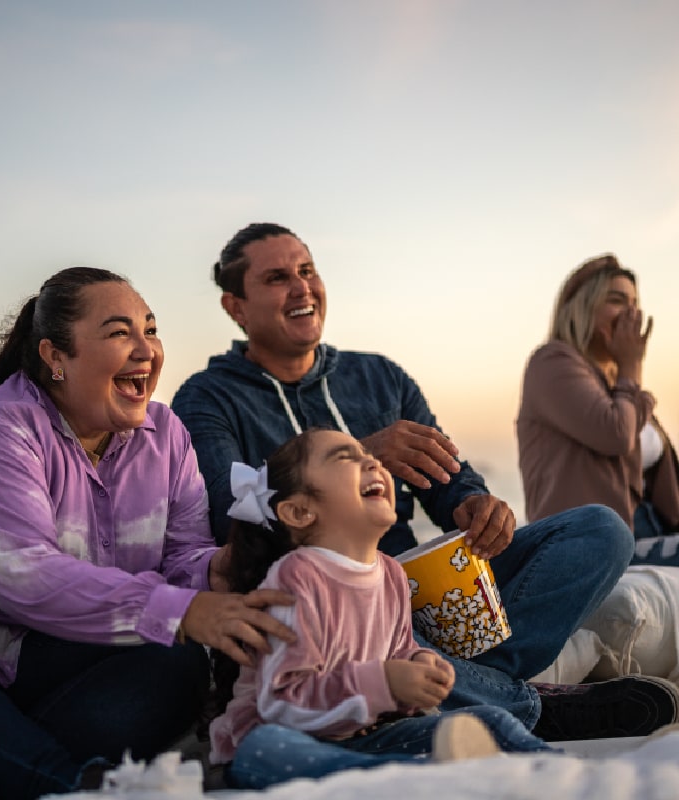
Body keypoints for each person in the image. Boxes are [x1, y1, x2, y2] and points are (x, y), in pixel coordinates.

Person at [172, 222, 679, 742]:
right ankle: (526, 706)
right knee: (365, 630)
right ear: (236, 307)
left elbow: (449, 480)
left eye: (308, 271)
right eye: (278, 278)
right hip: (326, 610)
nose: (301, 287)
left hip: (412, 593)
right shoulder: (206, 397)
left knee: (601, 530)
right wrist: (363, 453)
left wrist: (478, 505)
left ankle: (474, 686)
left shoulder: (380, 377)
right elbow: (228, 516)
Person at [0, 267, 295, 800]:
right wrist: (183, 611)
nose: (146, 350)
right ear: (56, 357)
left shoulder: (165, 435)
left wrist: (227, 568)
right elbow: (23, 577)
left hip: (46, 666)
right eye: (120, 333)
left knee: (173, 658)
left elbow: (182, 557)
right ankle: (60, 785)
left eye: (150, 329)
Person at [209, 428, 554, 789]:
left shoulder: (390, 573)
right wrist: (384, 681)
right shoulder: (297, 577)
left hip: (359, 740)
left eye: (367, 455)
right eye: (346, 458)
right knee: (266, 747)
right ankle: (412, 777)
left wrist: (420, 664)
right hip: (277, 744)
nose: (371, 462)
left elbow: (399, 647)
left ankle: (559, 775)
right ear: (299, 511)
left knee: (489, 720)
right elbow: (282, 704)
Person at [517, 254, 679, 565]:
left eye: (634, 303)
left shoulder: (614, 383)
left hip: (649, 530)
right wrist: (631, 368)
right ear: (582, 306)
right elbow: (615, 434)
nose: (630, 312)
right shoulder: (552, 363)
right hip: (595, 543)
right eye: (617, 300)